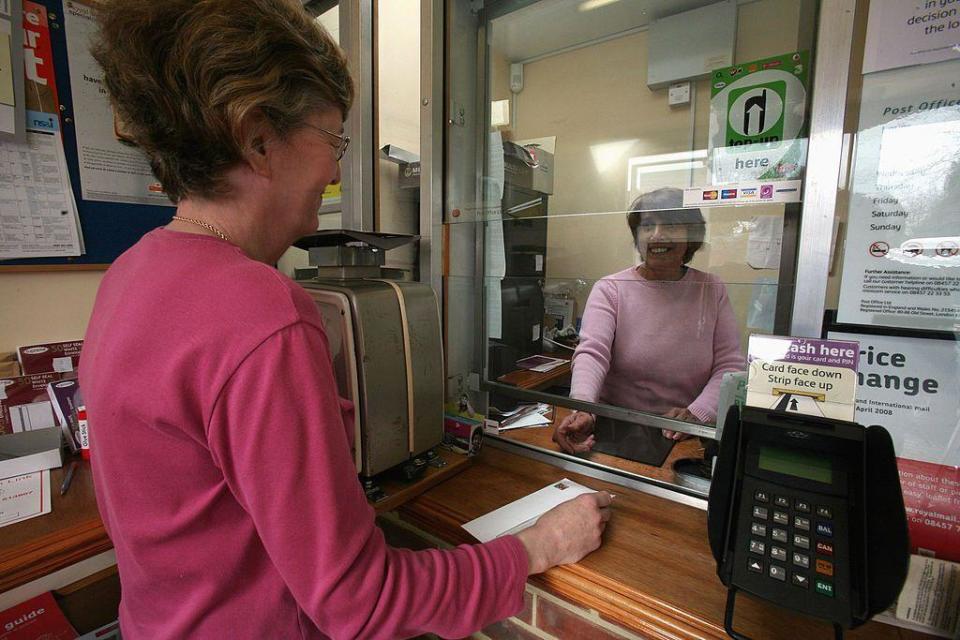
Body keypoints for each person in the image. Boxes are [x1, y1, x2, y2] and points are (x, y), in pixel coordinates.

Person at [79, 2, 612, 638]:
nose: (336, 169)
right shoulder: (261, 311)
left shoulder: (130, 274)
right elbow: (360, 602)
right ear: (257, 137)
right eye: (333, 141)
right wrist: (538, 546)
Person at [553, 188, 744, 454]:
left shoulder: (711, 288)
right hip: (616, 426)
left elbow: (729, 366)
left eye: (670, 225)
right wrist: (584, 408)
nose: (656, 235)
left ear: (691, 236)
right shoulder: (611, 288)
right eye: (647, 226)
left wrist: (697, 413)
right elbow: (592, 355)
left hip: (685, 434)